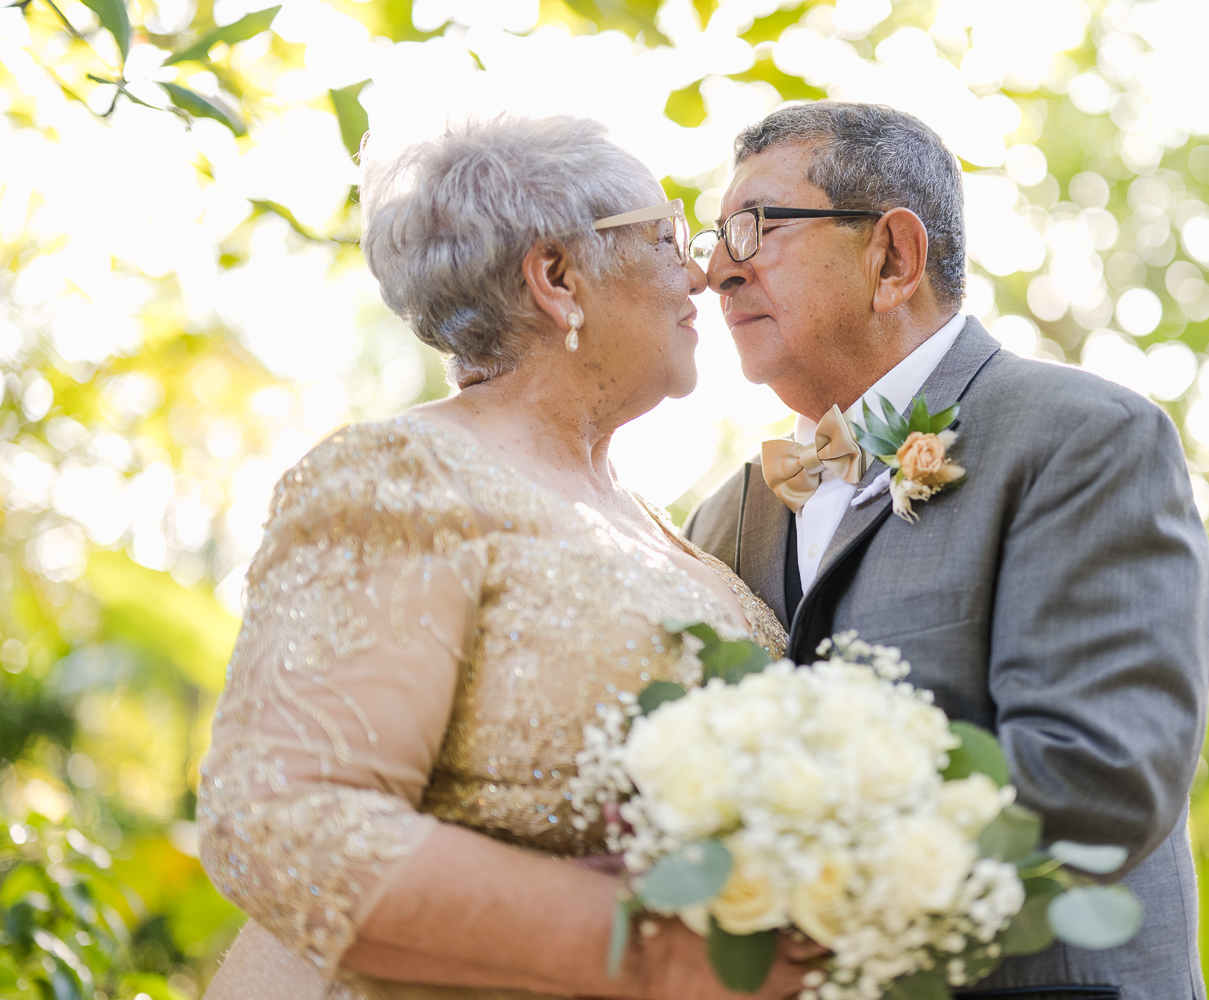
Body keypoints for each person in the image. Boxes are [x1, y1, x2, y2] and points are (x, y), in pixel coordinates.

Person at [195, 115, 813, 1000]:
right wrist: (647, 952)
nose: (703, 269)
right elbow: (281, 822)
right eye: (665, 235)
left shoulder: (680, 535)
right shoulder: (402, 480)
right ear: (558, 276)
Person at [684, 102, 1209, 1000]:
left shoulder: (1088, 439)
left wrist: (790, 864)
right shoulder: (729, 516)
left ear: (893, 257)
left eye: (755, 228)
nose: (715, 271)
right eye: (714, 235)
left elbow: (1097, 779)